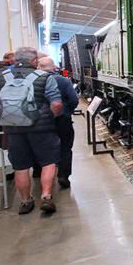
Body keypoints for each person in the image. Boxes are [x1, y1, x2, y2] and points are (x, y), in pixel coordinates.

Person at [0, 47, 64, 214]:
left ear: (15, 60)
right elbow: (57, 103)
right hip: (42, 129)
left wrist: (4, 119)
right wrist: (50, 116)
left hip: (13, 130)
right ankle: (46, 196)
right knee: (48, 162)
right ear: (35, 61)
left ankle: (25, 201)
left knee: (20, 166)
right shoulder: (45, 77)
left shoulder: (0, 77)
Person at [38, 57, 78, 189]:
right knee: (65, 147)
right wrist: (68, 111)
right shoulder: (63, 80)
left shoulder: (34, 81)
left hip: (41, 120)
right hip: (62, 118)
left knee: (43, 147)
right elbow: (73, 100)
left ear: (39, 67)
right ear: (53, 66)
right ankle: (63, 175)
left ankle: (39, 173)